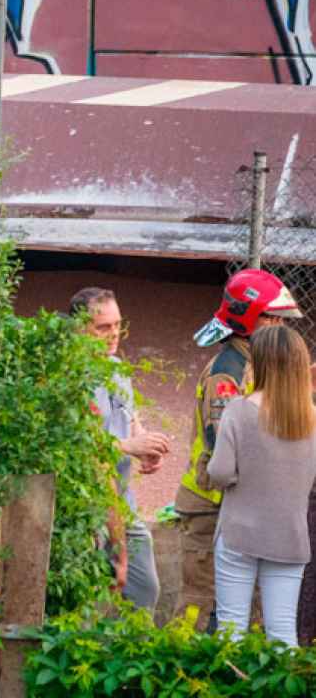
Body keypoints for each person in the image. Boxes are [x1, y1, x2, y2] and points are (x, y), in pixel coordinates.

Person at [175, 269, 303, 630]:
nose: (280, 325)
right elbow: (225, 447)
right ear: (247, 318)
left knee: (248, 613)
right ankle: (180, 678)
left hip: (240, 504)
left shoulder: (254, 365)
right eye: (272, 317)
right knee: (199, 607)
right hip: (210, 505)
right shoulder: (227, 373)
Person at [206, 325, 316, 646]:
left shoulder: (238, 411)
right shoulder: (312, 418)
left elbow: (221, 472)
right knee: (282, 633)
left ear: (260, 363)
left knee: (232, 631)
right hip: (290, 537)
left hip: (240, 533)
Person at [71, 287, 171, 612]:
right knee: (90, 598)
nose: (114, 333)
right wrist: (129, 445)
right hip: (87, 508)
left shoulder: (116, 368)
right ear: (79, 329)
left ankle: (130, 657)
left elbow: (130, 417)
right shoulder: (70, 376)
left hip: (123, 503)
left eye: (117, 324)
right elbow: (79, 446)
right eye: (103, 327)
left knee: (144, 590)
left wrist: (144, 444)